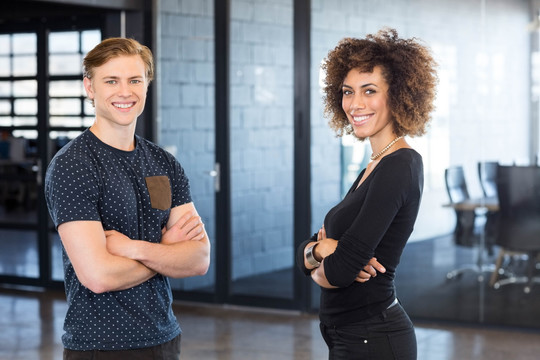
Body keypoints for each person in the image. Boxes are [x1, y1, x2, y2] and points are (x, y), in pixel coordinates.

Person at [45, 37, 210, 359]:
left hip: (164, 337)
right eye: (111, 81)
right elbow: (98, 276)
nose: (125, 92)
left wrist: (133, 248)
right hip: (100, 346)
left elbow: (199, 259)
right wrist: (166, 252)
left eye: (135, 80)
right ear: (89, 87)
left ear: (147, 85)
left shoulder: (163, 163)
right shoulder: (73, 165)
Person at [296, 28, 437, 360]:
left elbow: (340, 273)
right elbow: (311, 255)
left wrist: (319, 256)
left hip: (373, 337)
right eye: (348, 92)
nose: (354, 104)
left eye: (369, 91)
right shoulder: (375, 165)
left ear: (399, 95)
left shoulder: (401, 164)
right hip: (350, 334)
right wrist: (322, 248)